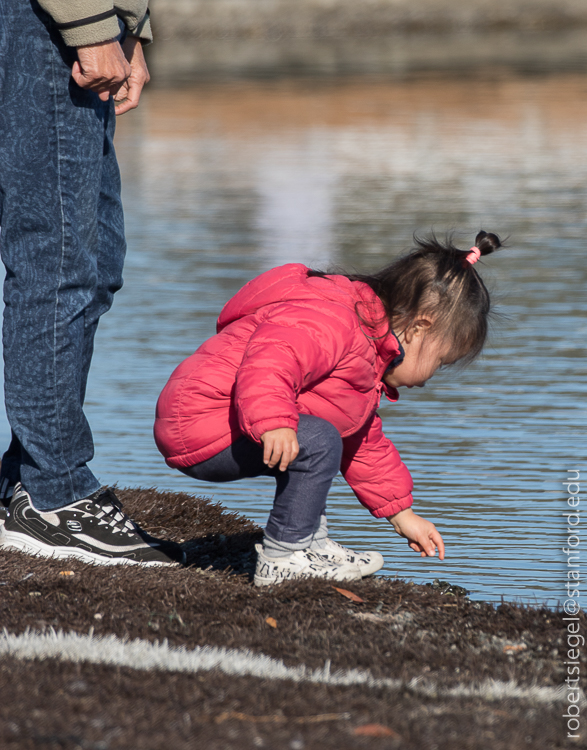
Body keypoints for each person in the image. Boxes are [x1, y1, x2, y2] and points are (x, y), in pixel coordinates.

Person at [154, 231, 502, 585]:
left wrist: (402, 514)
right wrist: (274, 421)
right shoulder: (334, 319)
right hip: (203, 418)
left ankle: (310, 544)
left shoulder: (368, 355)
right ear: (419, 325)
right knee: (319, 440)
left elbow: (363, 443)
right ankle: (283, 557)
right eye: (440, 361)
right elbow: (273, 359)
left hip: (230, 419)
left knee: (324, 437)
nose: (430, 377)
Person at [0, 0, 183, 565]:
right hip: (45, 22)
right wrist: (89, 23)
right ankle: (55, 495)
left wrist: (132, 28)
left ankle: (24, 483)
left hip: (83, 23)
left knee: (97, 264)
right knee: (55, 265)